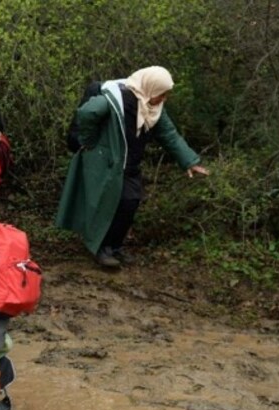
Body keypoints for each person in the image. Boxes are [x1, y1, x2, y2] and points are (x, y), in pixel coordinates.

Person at [56, 66, 210, 268]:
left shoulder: (153, 107)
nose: (164, 99)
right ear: (150, 88)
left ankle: (115, 247)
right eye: (161, 94)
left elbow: (169, 135)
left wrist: (190, 161)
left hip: (130, 164)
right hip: (109, 163)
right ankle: (101, 249)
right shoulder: (116, 98)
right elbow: (87, 112)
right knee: (110, 204)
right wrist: (89, 142)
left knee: (130, 202)